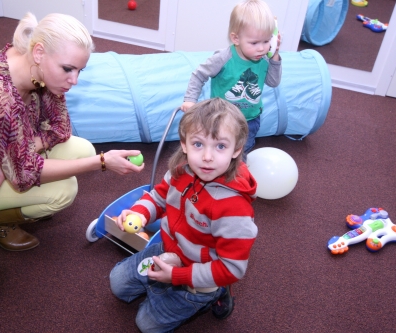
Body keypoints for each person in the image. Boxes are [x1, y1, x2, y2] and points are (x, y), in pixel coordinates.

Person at [0, 12, 144, 251]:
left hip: (5, 154)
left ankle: (10, 188)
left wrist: (8, 160)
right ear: (39, 52)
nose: (73, 80)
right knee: (64, 191)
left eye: (79, 71)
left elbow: (60, 128)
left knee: (82, 148)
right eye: (68, 69)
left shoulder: (42, 72)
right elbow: (23, 174)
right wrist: (102, 162)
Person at [109, 98, 258, 332]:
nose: (207, 157)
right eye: (198, 144)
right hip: (169, 249)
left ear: (236, 150)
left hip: (200, 274)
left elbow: (232, 268)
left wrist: (178, 276)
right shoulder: (181, 170)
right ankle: (161, 289)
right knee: (117, 283)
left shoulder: (234, 209)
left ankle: (214, 295)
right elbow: (158, 197)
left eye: (220, 146)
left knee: (145, 324)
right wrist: (139, 214)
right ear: (185, 144)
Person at [181, 0, 282, 159]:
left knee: (240, 155)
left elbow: (273, 82)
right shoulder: (223, 58)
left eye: (267, 40)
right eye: (254, 42)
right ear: (236, 38)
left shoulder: (264, 59)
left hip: (249, 120)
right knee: (218, 153)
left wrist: (274, 55)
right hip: (220, 119)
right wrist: (190, 99)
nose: (262, 48)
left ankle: (235, 180)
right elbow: (199, 75)